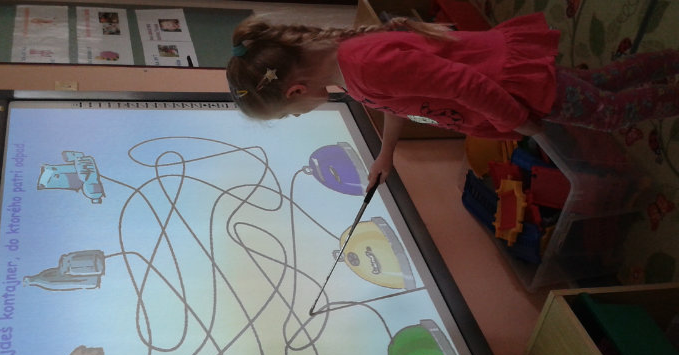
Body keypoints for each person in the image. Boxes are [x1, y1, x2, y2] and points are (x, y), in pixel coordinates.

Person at [226, 13, 679, 189]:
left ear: (295, 91)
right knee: (598, 85)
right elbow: (397, 104)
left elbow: (464, 85)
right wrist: (386, 152)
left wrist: (521, 122)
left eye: (292, 113)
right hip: (505, 86)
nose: (301, 114)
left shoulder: (365, 65)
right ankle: (668, 61)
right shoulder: (350, 76)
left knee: (605, 113)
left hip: (510, 86)